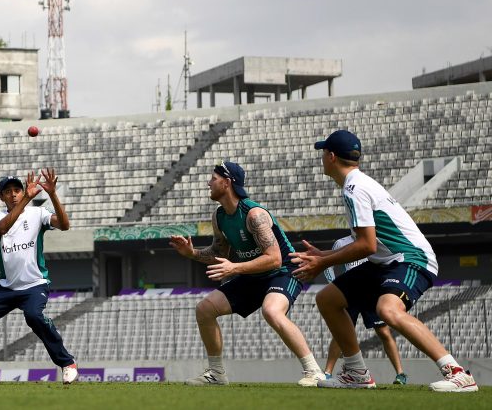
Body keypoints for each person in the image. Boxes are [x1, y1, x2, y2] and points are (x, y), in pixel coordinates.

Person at [291, 129, 477, 392]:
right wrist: (325, 256)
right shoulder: (357, 184)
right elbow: (368, 245)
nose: (322, 158)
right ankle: (357, 373)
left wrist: (323, 263)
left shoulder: (355, 189)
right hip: (386, 262)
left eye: (323, 153)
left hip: (412, 259)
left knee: (388, 310)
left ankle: (457, 373)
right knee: (328, 299)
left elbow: (365, 245)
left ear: (331, 157)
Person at [169, 161, 324, 387]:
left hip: (283, 271)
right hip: (253, 274)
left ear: (227, 182)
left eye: (213, 178)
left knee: (271, 311)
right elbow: (219, 253)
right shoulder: (219, 216)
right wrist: (191, 252)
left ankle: (314, 371)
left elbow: (274, 258)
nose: (208, 182)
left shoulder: (254, 214)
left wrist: (235, 268)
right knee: (204, 309)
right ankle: (216, 374)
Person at [0, 170, 78, 385]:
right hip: (5, 288)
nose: (13, 194)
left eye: (17, 190)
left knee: (33, 316)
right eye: (8, 191)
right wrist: (27, 198)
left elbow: (65, 225)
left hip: (34, 285)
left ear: (22, 191)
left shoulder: (37, 214)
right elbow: (3, 228)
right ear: (1, 197)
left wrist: (52, 194)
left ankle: (67, 363)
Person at [321, 236, 407, 385]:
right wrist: (334, 286)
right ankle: (327, 372)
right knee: (339, 333)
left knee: (384, 332)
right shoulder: (341, 242)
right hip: (350, 292)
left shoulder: (375, 241)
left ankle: (400, 374)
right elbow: (328, 267)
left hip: (372, 292)